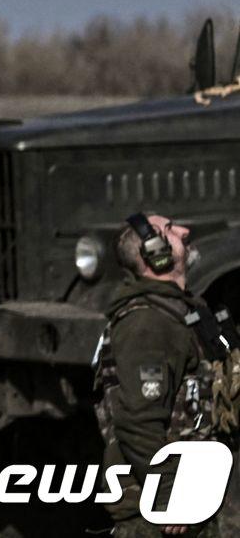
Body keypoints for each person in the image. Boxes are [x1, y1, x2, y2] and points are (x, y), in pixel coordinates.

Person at [94, 212, 240, 536]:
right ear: (155, 253)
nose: (186, 231)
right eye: (171, 230)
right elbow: (137, 423)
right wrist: (172, 496)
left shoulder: (187, 311)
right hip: (162, 518)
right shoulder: (147, 323)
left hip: (204, 501)